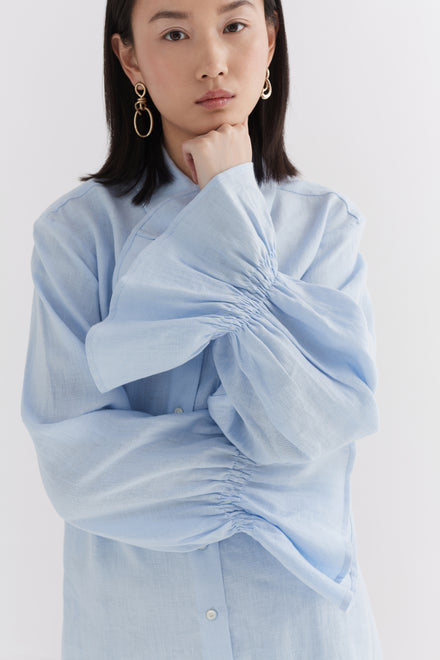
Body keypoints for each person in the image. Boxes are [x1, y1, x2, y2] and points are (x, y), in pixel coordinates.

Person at [21, 0, 383, 658]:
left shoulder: (326, 227)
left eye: (235, 26)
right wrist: (271, 479)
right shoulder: (75, 237)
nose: (212, 60)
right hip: (131, 636)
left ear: (270, 41)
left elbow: (318, 428)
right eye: (175, 32)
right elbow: (76, 471)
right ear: (129, 56)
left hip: (302, 635)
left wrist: (233, 205)